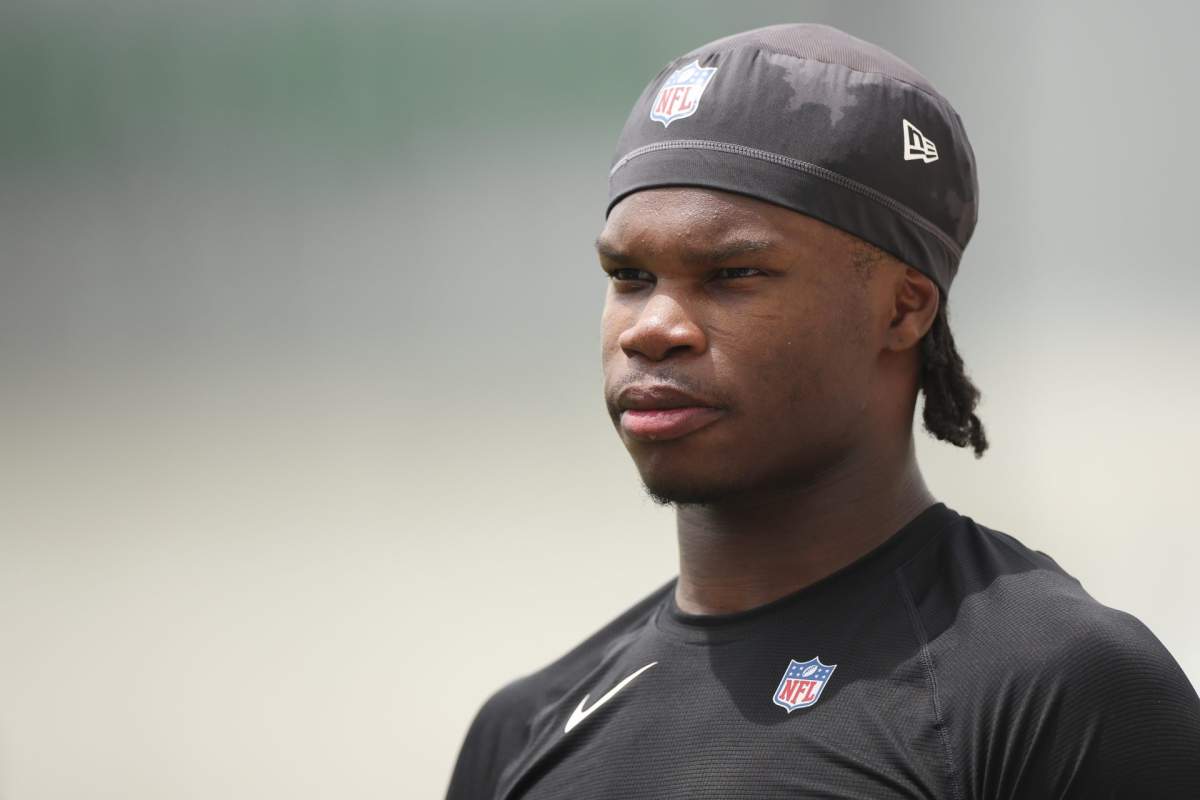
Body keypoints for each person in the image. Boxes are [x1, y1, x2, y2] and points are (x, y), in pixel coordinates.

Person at [445, 23, 1200, 799]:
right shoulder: (522, 728)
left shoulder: (1054, 687)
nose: (652, 328)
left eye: (733, 274)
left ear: (903, 309)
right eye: (630, 275)